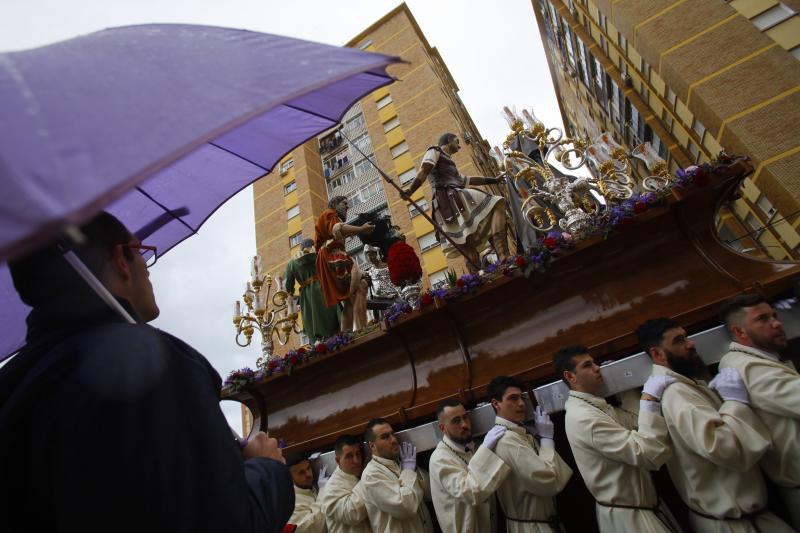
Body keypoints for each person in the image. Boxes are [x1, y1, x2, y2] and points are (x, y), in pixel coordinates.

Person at [0, 211, 293, 532]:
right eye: (141, 253)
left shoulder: (12, 388)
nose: (148, 269)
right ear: (120, 259)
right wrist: (267, 469)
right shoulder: (157, 365)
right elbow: (227, 519)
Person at [637, 316, 793, 533]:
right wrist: (734, 402)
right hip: (731, 524)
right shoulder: (678, 395)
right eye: (679, 340)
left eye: (687, 337)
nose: (691, 344)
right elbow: (724, 447)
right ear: (658, 354)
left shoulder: (686, 386)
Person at [556, 345, 679, 533]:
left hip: (643, 510)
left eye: (594, 363)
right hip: (629, 520)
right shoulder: (584, 418)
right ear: (571, 377)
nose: (597, 368)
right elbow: (646, 454)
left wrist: (625, 387)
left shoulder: (594, 407)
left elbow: (637, 423)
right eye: (587, 365)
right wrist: (649, 399)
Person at [718, 295, 800, 529]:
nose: (776, 323)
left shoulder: (757, 358)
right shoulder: (747, 366)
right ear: (740, 331)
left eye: (774, 315)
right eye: (763, 319)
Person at [401, 133, 508, 272]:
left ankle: (494, 264)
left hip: (453, 200)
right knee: (497, 203)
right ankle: (501, 256)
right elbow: (424, 170)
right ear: (449, 140)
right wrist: (410, 190)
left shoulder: (450, 163)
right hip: (449, 199)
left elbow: (467, 180)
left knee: (469, 243)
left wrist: (493, 180)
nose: (459, 146)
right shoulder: (434, 151)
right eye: (457, 141)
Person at [488, 376, 573, 532]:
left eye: (522, 398)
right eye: (513, 398)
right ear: (496, 404)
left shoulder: (517, 433)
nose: (521, 404)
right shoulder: (507, 440)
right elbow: (548, 481)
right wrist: (546, 440)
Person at [429, 398, 510, 533]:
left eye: (465, 417)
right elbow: (469, 492)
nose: (464, 424)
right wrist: (485, 449)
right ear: (442, 428)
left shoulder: (471, 446)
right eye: (456, 421)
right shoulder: (439, 458)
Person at [359, 418, 434, 532]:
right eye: (385, 437)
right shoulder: (371, 475)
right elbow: (406, 507)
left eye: (392, 434)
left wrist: (412, 468)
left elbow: (430, 493)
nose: (394, 440)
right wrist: (408, 470)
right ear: (372, 446)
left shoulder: (402, 462)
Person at [314, 196, 374, 332]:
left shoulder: (330, 215)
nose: (348, 207)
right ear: (335, 204)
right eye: (345, 203)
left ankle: (346, 333)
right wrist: (361, 229)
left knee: (350, 297)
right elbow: (338, 229)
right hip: (333, 257)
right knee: (362, 285)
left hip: (333, 257)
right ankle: (361, 328)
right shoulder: (330, 213)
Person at [285, 238, 340, 342]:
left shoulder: (291, 263)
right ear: (313, 246)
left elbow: (289, 288)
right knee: (332, 319)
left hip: (307, 296)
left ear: (301, 249)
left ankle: (318, 343)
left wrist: (291, 297)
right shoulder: (321, 254)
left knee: (313, 320)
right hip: (326, 288)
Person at [318, 434, 370, 533]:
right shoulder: (331, 488)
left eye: (358, 454)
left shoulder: (357, 476)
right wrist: (366, 477)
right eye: (349, 456)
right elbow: (352, 514)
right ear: (338, 460)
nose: (356, 460)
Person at [287, 454, 327, 533]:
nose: (308, 474)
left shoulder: (310, 487)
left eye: (308, 468)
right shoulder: (292, 502)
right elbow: (314, 528)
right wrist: (322, 491)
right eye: (301, 472)